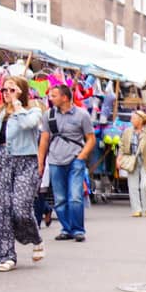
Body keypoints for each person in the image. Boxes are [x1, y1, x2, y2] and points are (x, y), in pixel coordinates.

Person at [0, 75, 44, 271]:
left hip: (25, 162)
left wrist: (17, 104)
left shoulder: (33, 110)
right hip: (0, 161)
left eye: (12, 90)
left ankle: (35, 238)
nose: (6, 94)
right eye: (4, 90)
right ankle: (7, 256)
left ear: (21, 91)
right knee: (0, 210)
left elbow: (28, 125)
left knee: (20, 208)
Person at [39, 83, 95, 242]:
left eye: (54, 95)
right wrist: (41, 161)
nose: (50, 98)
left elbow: (90, 139)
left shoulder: (82, 115)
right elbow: (44, 139)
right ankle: (66, 228)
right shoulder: (49, 115)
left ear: (64, 97)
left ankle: (78, 230)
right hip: (55, 160)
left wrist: (82, 156)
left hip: (75, 160)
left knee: (75, 196)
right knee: (60, 197)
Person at [119, 111, 146, 218]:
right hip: (131, 160)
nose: (131, 120)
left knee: (145, 185)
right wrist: (119, 159)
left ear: (140, 120)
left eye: (133, 118)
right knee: (132, 186)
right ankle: (136, 209)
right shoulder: (127, 131)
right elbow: (122, 146)